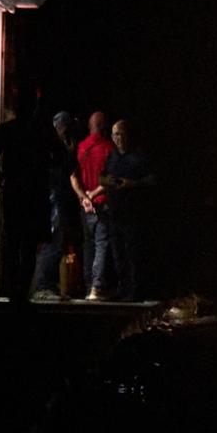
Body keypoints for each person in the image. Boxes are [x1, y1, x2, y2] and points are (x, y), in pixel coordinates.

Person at [0, 89, 55, 303]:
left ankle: (13, 289)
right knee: (29, 245)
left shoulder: (5, 130)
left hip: (13, 193)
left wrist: (2, 175)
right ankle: (23, 290)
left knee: (12, 241)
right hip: (35, 194)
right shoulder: (42, 130)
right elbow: (60, 157)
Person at [99, 118, 157, 301]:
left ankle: (136, 290)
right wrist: (109, 181)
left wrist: (133, 184)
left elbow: (154, 180)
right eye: (115, 134)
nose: (118, 138)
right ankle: (122, 288)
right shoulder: (112, 157)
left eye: (121, 134)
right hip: (115, 213)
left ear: (128, 135)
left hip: (133, 214)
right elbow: (102, 177)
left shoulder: (139, 157)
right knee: (118, 254)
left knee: (134, 254)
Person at [33, 111, 85, 298]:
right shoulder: (54, 146)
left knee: (57, 241)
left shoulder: (51, 145)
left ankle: (46, 283)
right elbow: (67, 168)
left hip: (55, 197)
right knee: (53, 241)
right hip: (55, 198)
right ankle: (43, 285)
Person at [73, 111, 114, 299]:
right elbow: (110, 179)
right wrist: (94, 195)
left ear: (90, 127)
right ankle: (96, 287)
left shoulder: (81, 148)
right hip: (102, 202)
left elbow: (73, 176)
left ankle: (88, 283)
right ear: (104, 127)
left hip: (84, 205)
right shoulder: (108, 148)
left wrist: (83, 197)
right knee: (101, 244)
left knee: (88, 244)